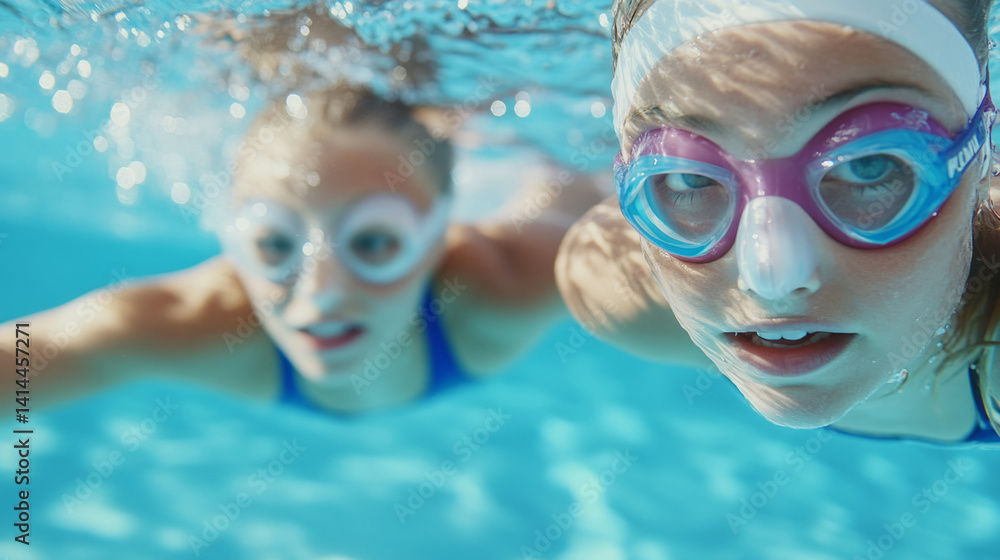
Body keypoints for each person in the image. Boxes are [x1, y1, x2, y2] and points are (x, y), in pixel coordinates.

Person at [3, 84, 601, 414]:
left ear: (437, 238)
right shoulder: (202, 317)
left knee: (564, 183)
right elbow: (35, 352)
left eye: (374, 242)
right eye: (272, 244)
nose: (323, 294)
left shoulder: (508, 283)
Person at [556, 0, 1000, 443]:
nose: (772, 279)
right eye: (689, 177)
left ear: (983, 151)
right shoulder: (611, 286)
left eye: (870, 166)